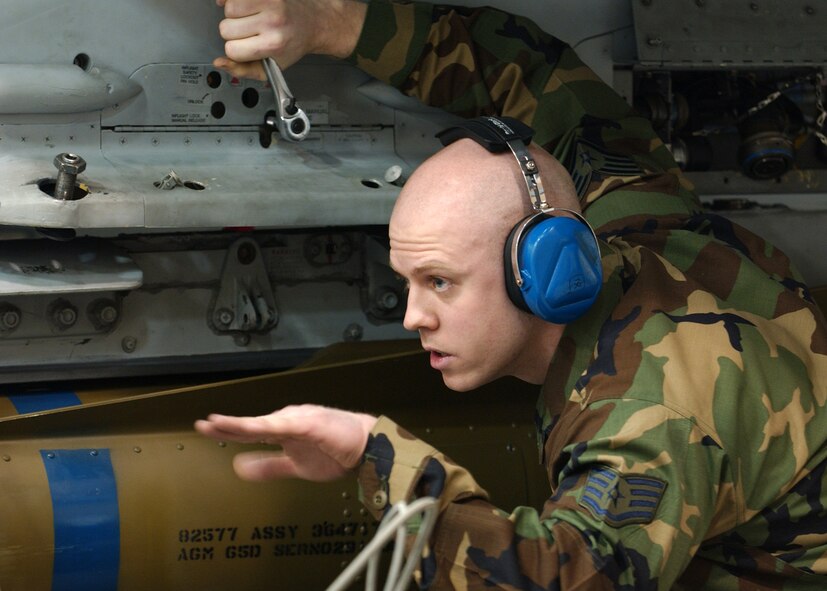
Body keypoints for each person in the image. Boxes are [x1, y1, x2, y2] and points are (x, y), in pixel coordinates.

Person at [195, 0, 827, 588]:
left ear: (545, 268)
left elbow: (562, 575)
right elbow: (539, 74)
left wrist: (378, 457)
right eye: (407, 282)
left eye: (440, 282)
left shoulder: (653, 413)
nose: (414, 317)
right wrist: (330, 21)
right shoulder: (627, 217)